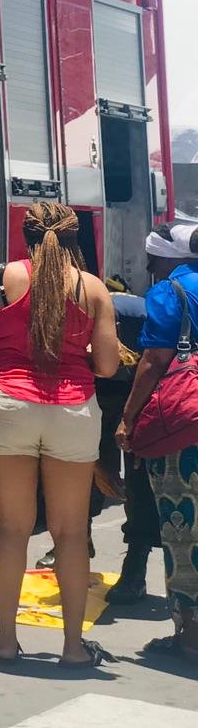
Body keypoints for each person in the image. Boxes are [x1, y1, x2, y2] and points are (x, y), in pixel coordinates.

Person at [0, 202, 120, 669]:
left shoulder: (0, 278)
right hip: (72, 409)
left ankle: (6, 641)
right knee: (70, 533)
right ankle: (73, 648)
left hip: (9, 404)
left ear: (25, 236)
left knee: (12, 528)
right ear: (74, 239)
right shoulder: (92, 288)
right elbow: (108, 365)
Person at [114, 221, 198, 668]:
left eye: (152, 261)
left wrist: (128, 419)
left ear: (167, 260)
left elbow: (152, 361)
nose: (149, 269)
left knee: (183, 531)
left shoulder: (169, 292)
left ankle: (190, 639)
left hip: (184, 429)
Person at [99, 292, 162, 605]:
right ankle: (73, 544)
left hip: (144, 386)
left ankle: (135, 568)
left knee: (139, 482)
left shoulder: (144, 315)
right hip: (102, 385)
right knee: (85, 469)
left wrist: (129, 419)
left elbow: (154, 365)